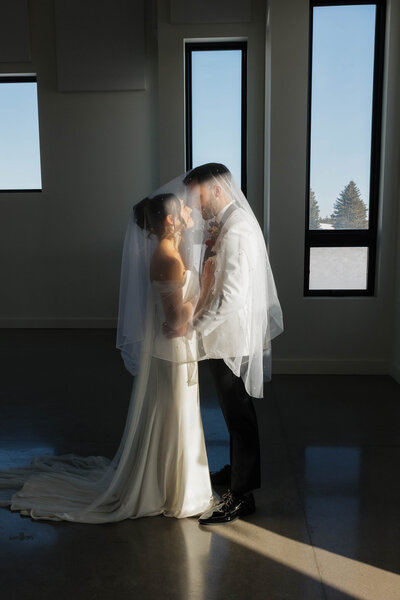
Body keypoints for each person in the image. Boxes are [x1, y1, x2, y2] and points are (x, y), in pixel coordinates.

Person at [0, 185, 216, 522]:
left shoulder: (173, 252)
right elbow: (176, 320)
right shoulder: (167, 258)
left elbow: (178, 320)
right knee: (174, 417)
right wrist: (206, 288)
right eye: (185, 211)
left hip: (175, 349)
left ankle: (175, 487)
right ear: (172, 220)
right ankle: (168, 491)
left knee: (177, 417)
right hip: (170, 355)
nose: (192, 213)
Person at [165, 163, 284, 525]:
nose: (198, 207)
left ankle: (241, 495)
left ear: (217, 190)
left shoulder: (237, 230)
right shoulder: (229, 225)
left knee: (238, 414)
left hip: (230, 337)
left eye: (199, 197)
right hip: (226, 335)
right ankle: (236, 472)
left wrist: (193, 327)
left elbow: (231, 295)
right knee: (235, 412)